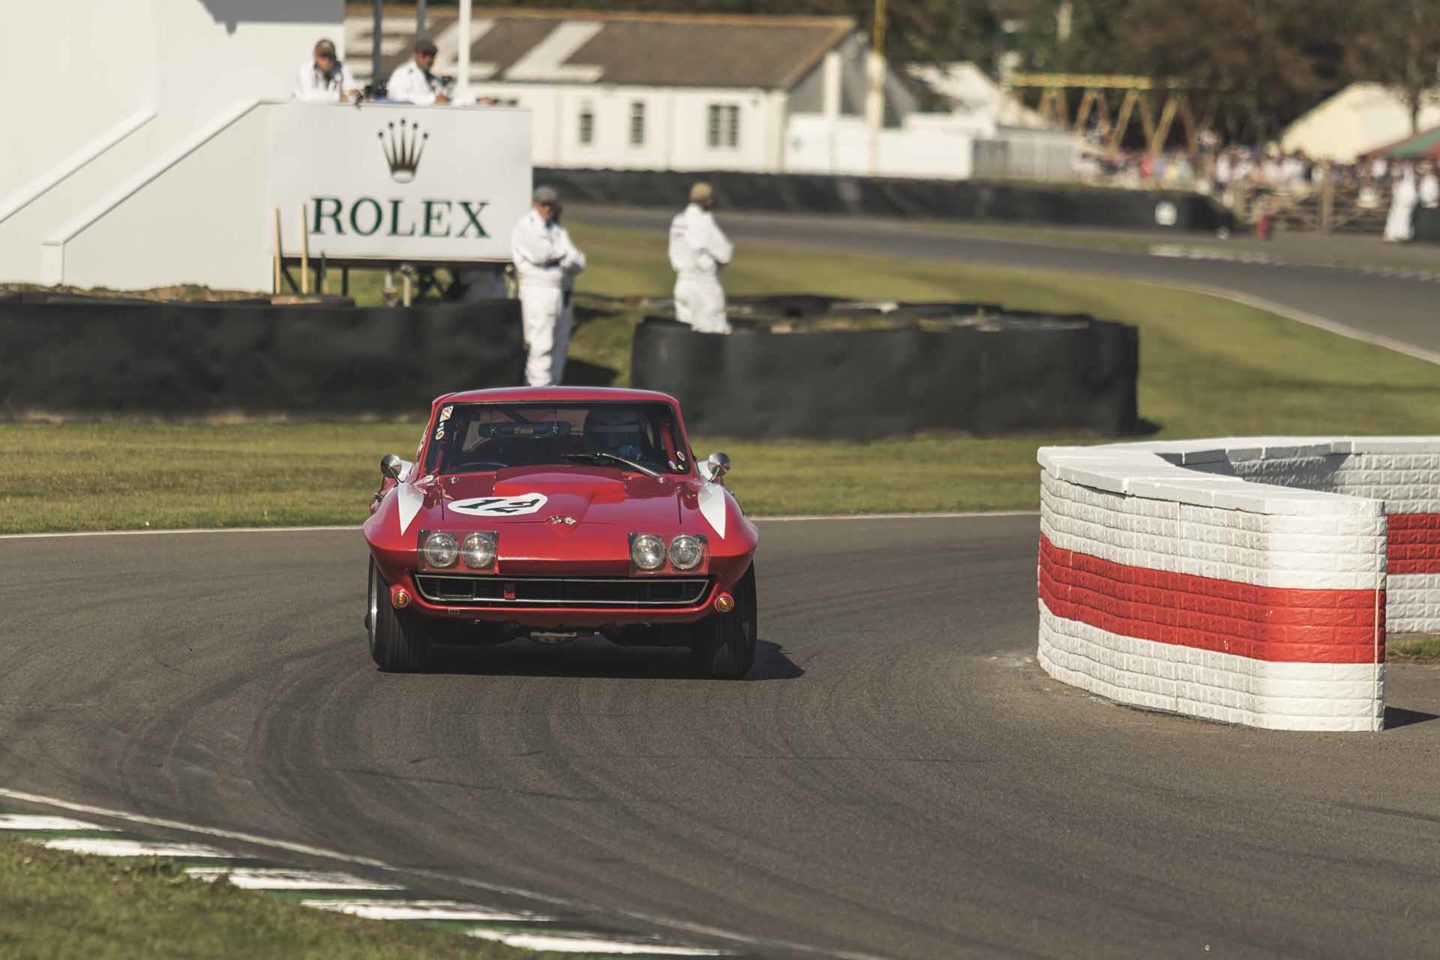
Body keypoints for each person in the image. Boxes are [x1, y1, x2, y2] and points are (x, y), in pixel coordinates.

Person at [511, 186, 586, 386]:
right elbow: (540, 255)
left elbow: (579, 260)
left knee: (559, 346)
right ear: (535, 204)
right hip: (537, 290)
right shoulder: (526, 226)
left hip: (560, 290)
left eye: (551, 205)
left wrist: (560, 257)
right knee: (541, 344)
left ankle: (555, 392)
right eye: (543, 205)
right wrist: (563, 256)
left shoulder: (557, 229)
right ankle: (537, 394)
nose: (547, 209)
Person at [668, 182, 734, 334]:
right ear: (709, 201)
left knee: (685, 336)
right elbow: (725, 254)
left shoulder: (678, 220)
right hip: (703, 286)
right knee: (713, 332)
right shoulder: (704, 222)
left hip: (682, 284)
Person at [386, 36, 450, 105]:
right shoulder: (402, 73)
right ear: (415, 55)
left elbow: (444, 97)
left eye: (432, 55)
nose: (428, 59)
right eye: (424, 55)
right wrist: (432, 99)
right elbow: (397, 97)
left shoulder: (435, 80)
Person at [294, 39, 360, 103]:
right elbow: (307, 97)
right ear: (315, 56)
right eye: (323, 56)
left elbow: (352, 95)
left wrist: (354, 95)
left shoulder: (342, 68)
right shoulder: (305, 69)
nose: (327, 60)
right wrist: (338, 97)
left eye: (330, 56)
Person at [1384, 163, 1418, 242]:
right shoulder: (1399, 184)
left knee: (1404, 221)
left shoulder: (1408, 185)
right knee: (1394, 220)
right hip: (1398, 206)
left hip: (1404, 206)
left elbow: (1411, 197)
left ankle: (1402, 235)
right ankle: (1393, 235)